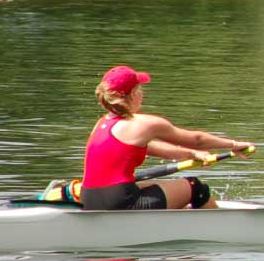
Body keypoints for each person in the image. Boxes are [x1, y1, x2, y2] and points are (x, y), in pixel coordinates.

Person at [81, 65, 253, 210]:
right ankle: (221, 229)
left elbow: (151, 148)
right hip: (121, 202)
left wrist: (192, 154)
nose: (143, 94)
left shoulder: (101, 124)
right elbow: (197, 139)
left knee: (153, 187)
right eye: (140, 89)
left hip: (89, 198)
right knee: (194, 186)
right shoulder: (145, 124)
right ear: (133, 94)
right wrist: (233, 144)